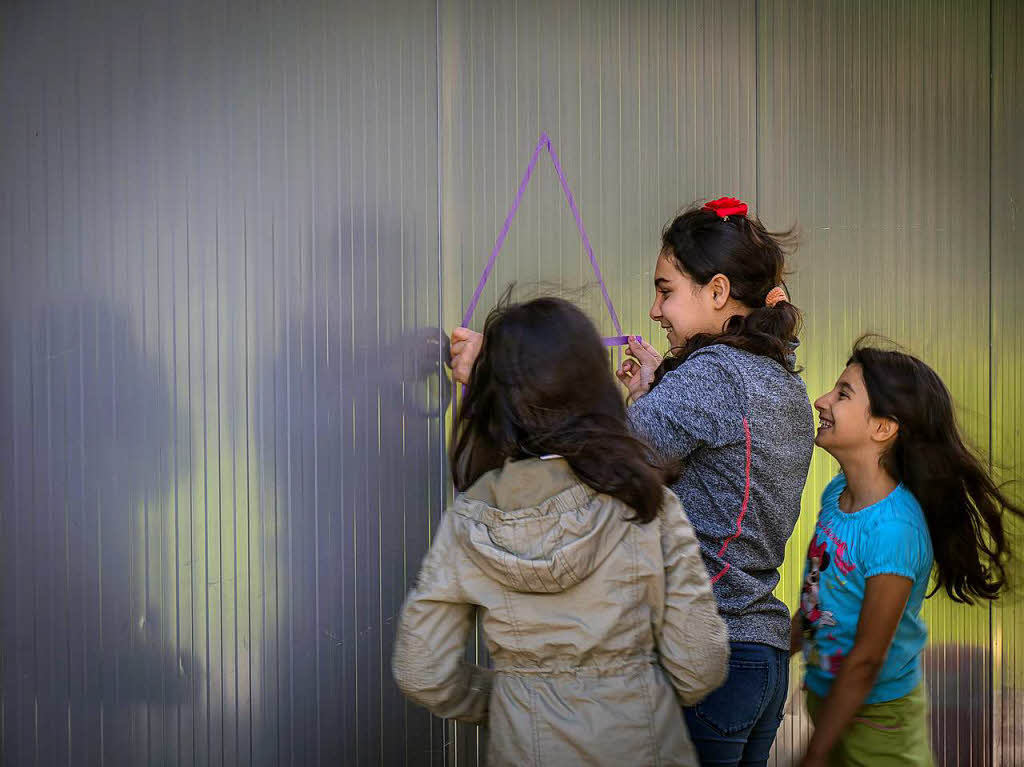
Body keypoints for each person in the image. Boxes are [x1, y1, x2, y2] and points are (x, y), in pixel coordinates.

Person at [451, 198, 816, 765]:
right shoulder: (782, 384)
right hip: (759, 658)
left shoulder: (714, 374)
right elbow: (708, 476)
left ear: (717, 292)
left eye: (666, 289)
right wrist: (653, 397)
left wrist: (491, 379)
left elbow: (595, 462)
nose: (654, 310)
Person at [394, 295, 729, 766]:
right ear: (595, 389)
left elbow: (422, 670)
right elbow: (699, 665)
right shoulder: (648, 503)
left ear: (494, 399)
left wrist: (512, 693)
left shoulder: (471, 516)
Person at [793, 339, 1023, 766]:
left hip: (878, 725)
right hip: (832, 703)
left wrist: (813, 755)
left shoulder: (894, 531)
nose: (821, 401)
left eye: (843, 394)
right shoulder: (836, 495)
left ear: (883, 428)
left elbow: (866, 661)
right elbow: (817, 593)